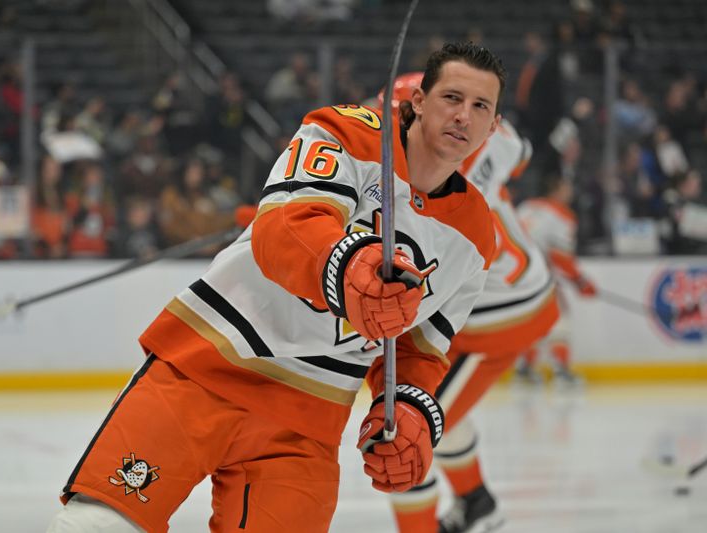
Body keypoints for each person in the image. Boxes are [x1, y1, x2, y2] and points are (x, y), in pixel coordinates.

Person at [47, 42, 504, 533]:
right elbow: (284, 228)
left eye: (480, 107)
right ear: (418, 102)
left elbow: (421, 347)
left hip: (307, 420)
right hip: (209, 367)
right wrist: (349, 266)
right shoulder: (347, 132)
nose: (463, 116)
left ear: (493, 127)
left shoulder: (477, 238)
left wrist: (408, 408)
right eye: (452, 98)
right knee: (96, 527)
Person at [378, 74, 560, 533]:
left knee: (400, 429)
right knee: (434, 408)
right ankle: (478, 506)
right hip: (509, 292)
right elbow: (520, 154)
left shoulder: (425, 182)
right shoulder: (488, 135)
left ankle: (457, 515)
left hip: (496, 316)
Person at [515, 174, 597, 385]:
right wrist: (581, 282)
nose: (570, 192)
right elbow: (560, 256)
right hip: (540, 274)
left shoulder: (526, 206)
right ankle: (561, 370)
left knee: (532, 320)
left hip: (514, 273)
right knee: (560, 317)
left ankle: (525, 368)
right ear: (557, 189)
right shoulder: (562, 214)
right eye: (567, 187)